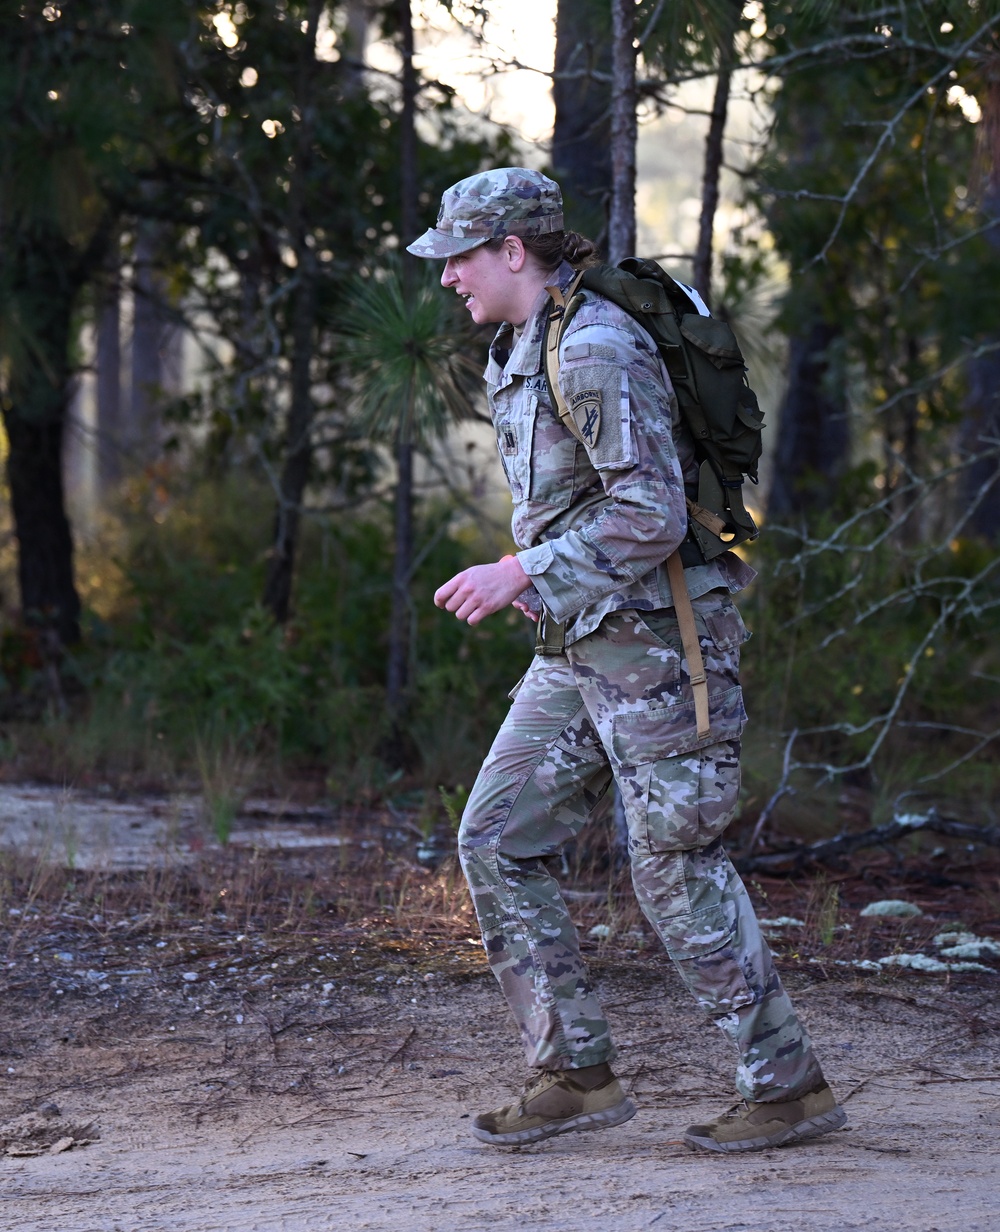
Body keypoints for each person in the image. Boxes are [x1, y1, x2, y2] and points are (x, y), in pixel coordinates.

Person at [407, 167, 846, 1153]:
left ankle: (786, 1086)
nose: (449, 279)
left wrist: (521, 568)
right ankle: (574, 1067)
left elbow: (650, 509)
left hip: (658, 648)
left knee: (671, 864)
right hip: (579, 646)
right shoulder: (519, 345)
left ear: (513, 249)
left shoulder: (598, 348)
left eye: (462, 257)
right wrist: (536, 576)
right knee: (494, 834)